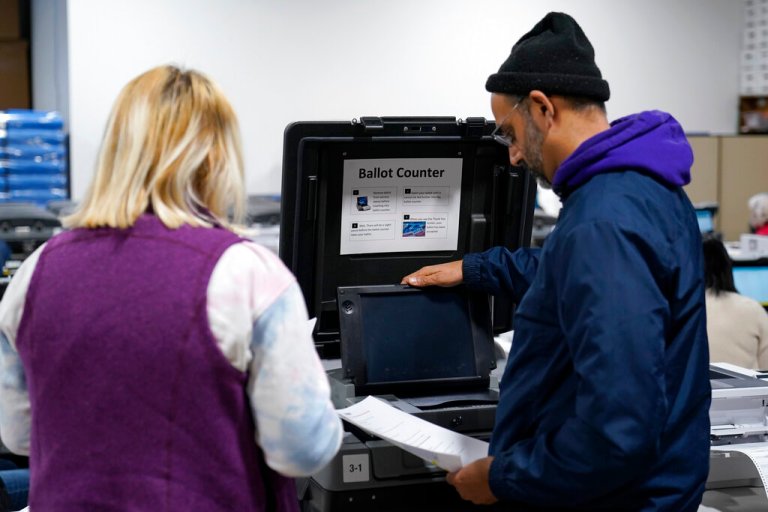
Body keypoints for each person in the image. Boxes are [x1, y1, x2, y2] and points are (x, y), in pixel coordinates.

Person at [402, 12, 710, 511]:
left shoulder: (602, 221)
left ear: (542, 108)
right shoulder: (640, 190)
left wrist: (504, 479)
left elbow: (618, 428)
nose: (513, 157)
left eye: (509, 133)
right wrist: (477, 268)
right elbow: (569, 276)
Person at [0, 65, 342, 511]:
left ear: (115, 153)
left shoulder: (36, 271)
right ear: (217, 157)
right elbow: (302, 450)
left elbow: (19, 435)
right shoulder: (248, 273)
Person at [703, 237, 768, 369]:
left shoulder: (683, 311)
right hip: (748, 388)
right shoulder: (753, 309)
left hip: (699, 388)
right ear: (728, 269)